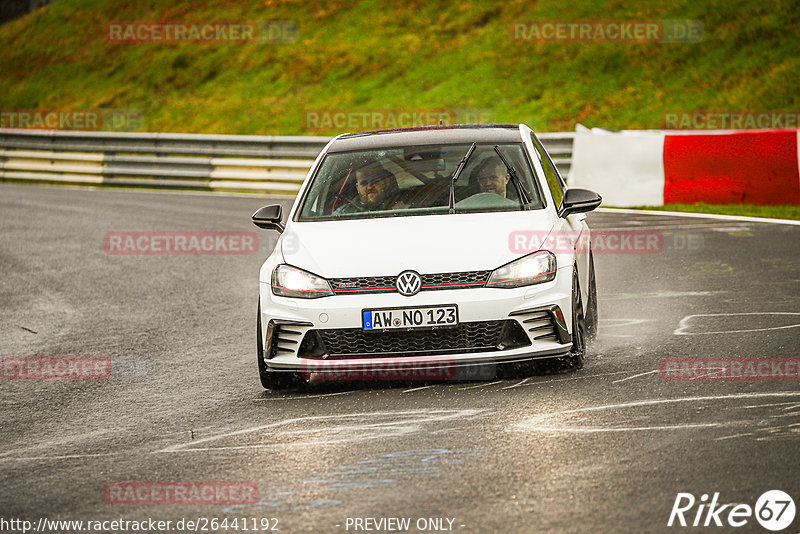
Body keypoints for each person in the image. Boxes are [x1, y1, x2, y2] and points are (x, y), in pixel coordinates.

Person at [334, 163, 399, 214]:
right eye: (364, 183)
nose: (370, 187)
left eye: (375, 181)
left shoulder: (404, 201)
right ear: (357, 188)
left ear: (386, 182)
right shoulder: (344, 212)